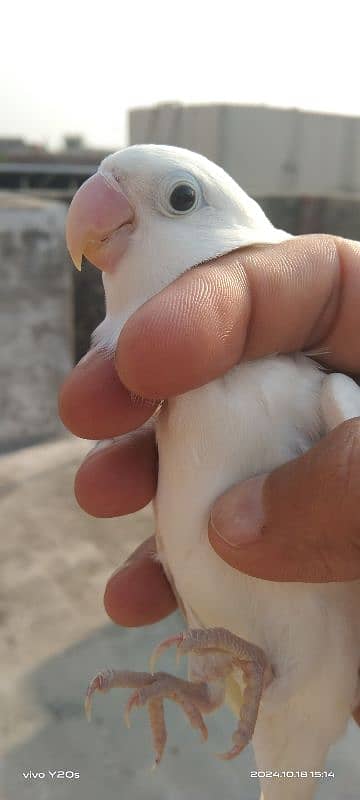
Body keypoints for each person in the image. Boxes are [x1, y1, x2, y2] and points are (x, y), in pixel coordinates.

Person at [59, 234, 360, 720]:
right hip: (252, 679)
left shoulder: (330, 392)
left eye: (180, 198)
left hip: (323, 681)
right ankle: (210, 689)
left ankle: (265, 679)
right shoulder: (171, 401)